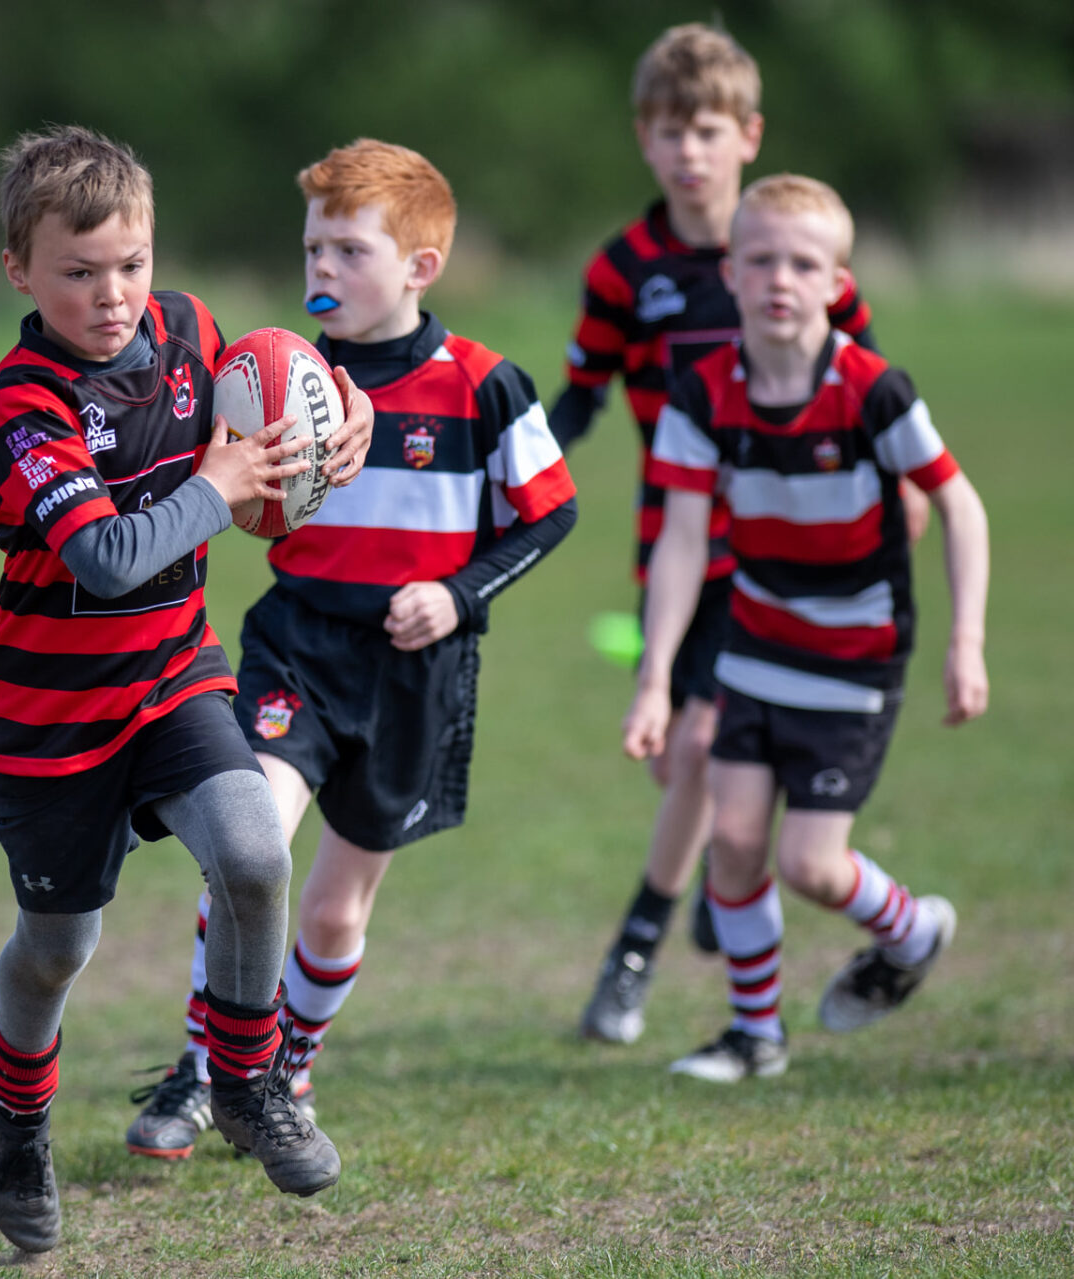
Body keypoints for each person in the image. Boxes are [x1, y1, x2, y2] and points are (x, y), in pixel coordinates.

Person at [126, 140, 578, 1158]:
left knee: (332, 915)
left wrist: (458, 597)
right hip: (299, 645)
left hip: (415, 671)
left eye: (348, 250)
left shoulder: (484, 384)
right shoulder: (273, 372)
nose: (321, 267)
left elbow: (551, 512)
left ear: (421, 267)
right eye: (312, 248)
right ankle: (206, 1068)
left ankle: (285, 1069)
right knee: (248, 849)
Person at [0, 125, 375, 1253]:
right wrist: (217, 484)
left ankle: (244, 1082)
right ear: (19, 271)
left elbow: (289, 396)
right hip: (53, 720)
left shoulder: (192, 333)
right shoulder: (23, 404)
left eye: (132, 264)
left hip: (171, 678)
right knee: (56, 950)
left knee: (254, 851)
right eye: (78, 272)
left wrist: (345, 424)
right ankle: (15, 1116)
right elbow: (105, 558)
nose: (113, 296)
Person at [552, 24, 898, 1045]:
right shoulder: (624, 270)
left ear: (748, 135)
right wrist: (508, 472)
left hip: (786, 553)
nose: (688, 151)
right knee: (683, 763)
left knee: (704, 744)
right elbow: (580, 396)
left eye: (706, 130)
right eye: (669, 131)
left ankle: (633, 955)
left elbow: (866, 392)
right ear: (644, 139)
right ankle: (722, 873)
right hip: (679, 544)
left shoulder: (793, 256)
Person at [623, 174, 987, 1081]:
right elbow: (681, 541)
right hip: (755, 643)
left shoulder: (871, 390)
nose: (779, 279)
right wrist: (656, 677)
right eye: (759, 260)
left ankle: (912, 930)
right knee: (736, 844)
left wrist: (966, 642)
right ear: (731, 274)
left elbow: (960, 504)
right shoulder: (701, 395)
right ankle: (756, 1036)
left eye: (802, 263)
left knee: (812, 865)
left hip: (857, 656)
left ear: (836, 282)